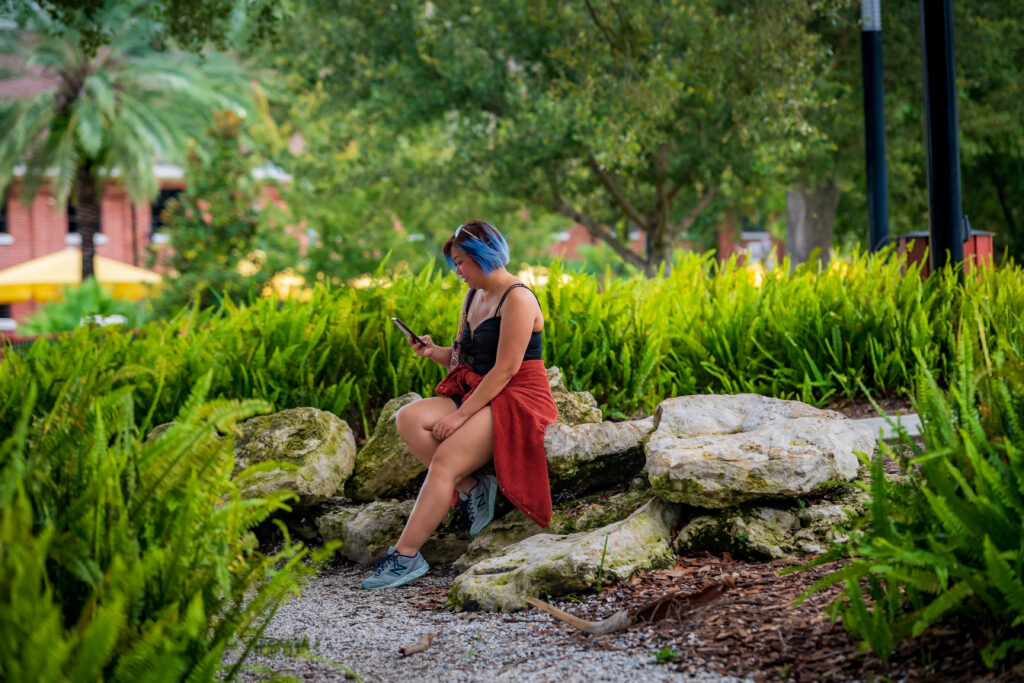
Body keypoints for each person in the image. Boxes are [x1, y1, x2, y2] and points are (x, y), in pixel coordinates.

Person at [361, 220, 558, 590]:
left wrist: (460, 418)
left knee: (445, 458)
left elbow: (505, 370)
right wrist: (432, 351)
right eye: (455, 262)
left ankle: (405, 556)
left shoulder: (518, 298)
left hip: (516, 396)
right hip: (480, 389)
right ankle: (473, 488)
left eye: (461, 262)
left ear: (483, 257)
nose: (457, 271)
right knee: (408, 418)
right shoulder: (474, 295)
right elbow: (464, 359)